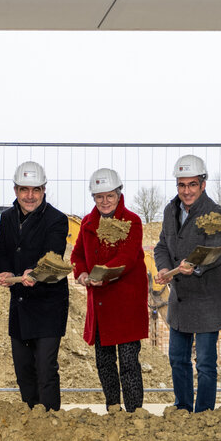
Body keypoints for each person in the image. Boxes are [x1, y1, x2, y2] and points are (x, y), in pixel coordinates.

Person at [153, 154, 221, 413]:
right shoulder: (170, 210)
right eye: (182, 185)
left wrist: (194, 265)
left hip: (207, 298)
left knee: (206, 363)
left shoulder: (215, 214)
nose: (187, 191)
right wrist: (164, 268)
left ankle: (204, 413)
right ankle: (183, 408)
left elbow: (216, 250)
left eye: (192, 184)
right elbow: (162, 244)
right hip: (180, 299)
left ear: (203, 184)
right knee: (177, 359)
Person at [0, 161, 69, 411]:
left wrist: (35, 270)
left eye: (35, 190)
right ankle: (30, 420)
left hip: (48, 305)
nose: (30, 196)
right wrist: (5, 270)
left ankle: (50, 422)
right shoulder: (7, 217)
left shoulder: (56, 220)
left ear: (44, 190)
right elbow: (1, 252)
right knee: (24, 371)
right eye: (24, 189)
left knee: (46, 370)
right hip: (20, 305)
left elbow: (54, 254)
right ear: (15, 190)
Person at [71, 168, 148, 412]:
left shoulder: (132, 221)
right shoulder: (86, 223)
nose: (104, 202)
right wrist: (82, 273)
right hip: (101, 303)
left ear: (118, 194)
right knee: (104, 362)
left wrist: (101, 275)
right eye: (99, 197)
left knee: (128, 360)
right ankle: (113, 408)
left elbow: (128, 257)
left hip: (126, 301)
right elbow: (77, 255)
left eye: (109, 196)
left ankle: (134, 412)